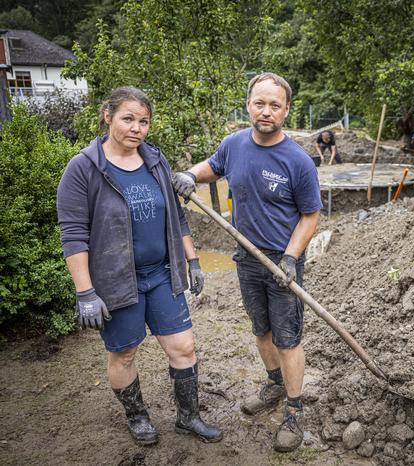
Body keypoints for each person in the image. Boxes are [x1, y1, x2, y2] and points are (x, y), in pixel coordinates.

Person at [56, 87, 222, 446]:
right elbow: (73, 235)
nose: (137, 128)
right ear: (107, 116)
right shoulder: (84, 169)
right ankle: (137, 416)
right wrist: (85, 292)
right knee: (125, 351)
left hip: (161, 274)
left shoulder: (155, 160)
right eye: (128, 119)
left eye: (143, 121)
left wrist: (192, 260)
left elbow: (177, 217)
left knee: (184, 347)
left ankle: (188, 417)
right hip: (117, 282)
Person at [172, 72, 322, 453]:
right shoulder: (234, 144)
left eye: (275, 105)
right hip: (246, 258)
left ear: (286, 110)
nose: (266, 111)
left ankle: (293, 409)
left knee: (288, 339)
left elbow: (310, 215)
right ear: (249, 105)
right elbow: (214, 166)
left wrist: (291, 257)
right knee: (261, 330)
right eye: (260, 103)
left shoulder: (298, 161)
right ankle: (274, 383)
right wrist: (191, 174)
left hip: (281, 263)